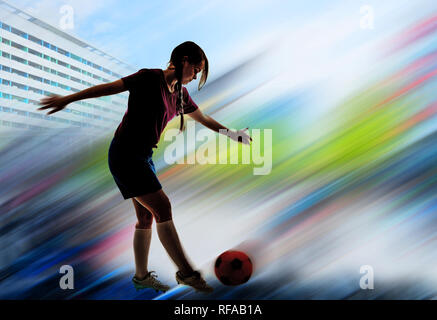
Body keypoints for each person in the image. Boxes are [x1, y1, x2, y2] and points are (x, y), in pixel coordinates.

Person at [38, 41, 252, 293]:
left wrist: (233, 134)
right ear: (183, 60)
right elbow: (109, 88)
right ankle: (187, 273)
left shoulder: (181, 96)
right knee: (163, 208)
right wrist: (68, 99)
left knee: (145, 216)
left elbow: (203, 118)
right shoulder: (149, 78)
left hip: (143, 157)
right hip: (125, 155)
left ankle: (141, 277)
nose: (195, 77)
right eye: (195, 69)